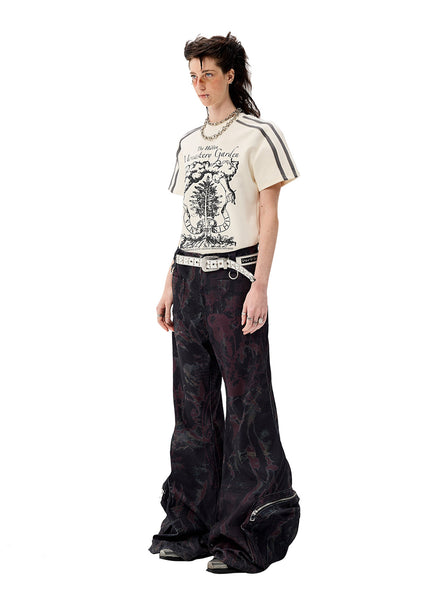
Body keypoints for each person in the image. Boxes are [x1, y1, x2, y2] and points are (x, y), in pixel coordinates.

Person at [148, 32, 301, 574]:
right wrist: (170, 281)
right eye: (193, 76)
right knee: (192, 410)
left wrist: (261, 285)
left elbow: (268, 214)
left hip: (236, 279)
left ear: (231, 74)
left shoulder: (260, 135)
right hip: (190, 279)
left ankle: (246, 532)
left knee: (247, 405)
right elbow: (188, 219)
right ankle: (191, 526)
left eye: (208, 74)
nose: (199, 85)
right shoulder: (189, 142)